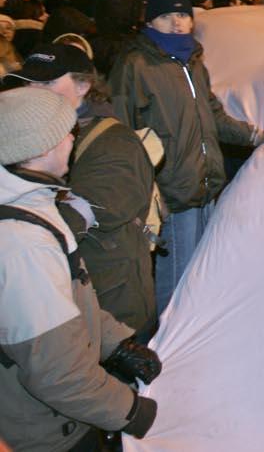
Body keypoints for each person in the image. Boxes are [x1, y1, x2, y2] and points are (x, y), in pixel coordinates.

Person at [0, 87, 160, 450]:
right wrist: (133, 412)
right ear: (42, 148)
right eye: (66, 132)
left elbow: (69, 296)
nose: (74, 138)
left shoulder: (33, 201)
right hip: (48, 433)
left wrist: (115, 343)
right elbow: (57, 374)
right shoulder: (24, 245)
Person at [109, 0, 264, 313]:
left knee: (201, 274)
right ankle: (166, 352)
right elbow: (120, 130)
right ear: (150, 22)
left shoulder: (193, 62)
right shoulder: (136, 65)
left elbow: (212, 115)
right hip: (170, 190)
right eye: (166, 16)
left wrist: (254, 135)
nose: (176, 23)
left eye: (183, 15)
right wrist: (143, 190)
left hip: (205, 184)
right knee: (176, 281)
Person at [6, 44, 158, 334]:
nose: (35, 91)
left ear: (83, 85)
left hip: (111, 302)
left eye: (48, 82)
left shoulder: (113, 142)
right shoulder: (29, 137)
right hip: (61, 298)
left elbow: (92, 207)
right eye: (29, 83)